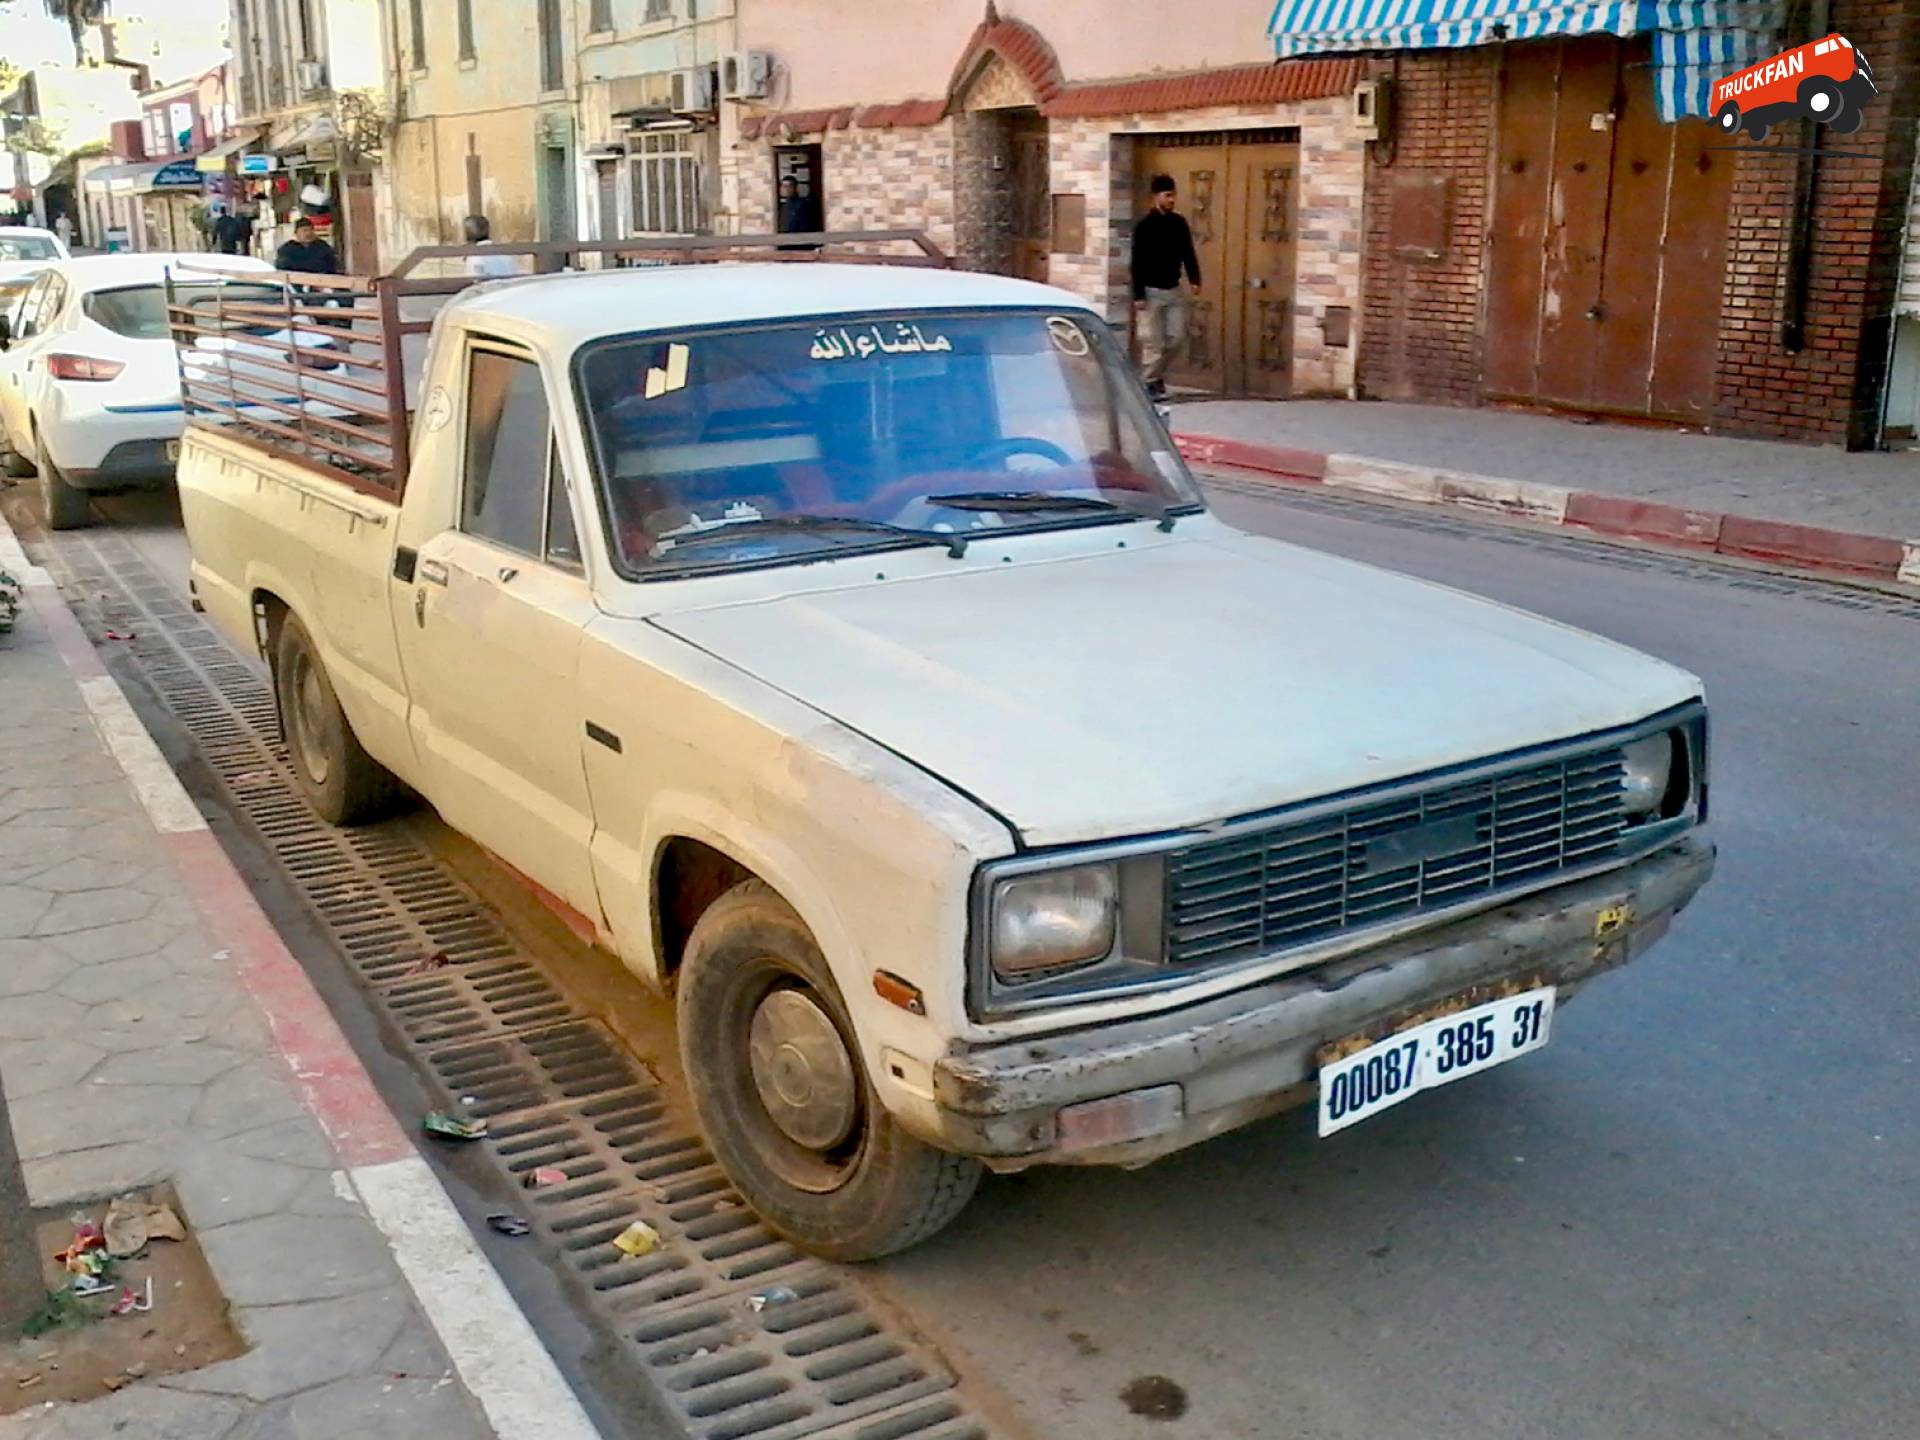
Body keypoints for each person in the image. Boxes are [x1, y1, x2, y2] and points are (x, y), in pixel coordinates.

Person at [1130, 174, 1201, 399]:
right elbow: (1137, 262)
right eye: (1167, 195)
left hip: (1173, 290)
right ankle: (1149, 382)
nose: (1172, 200)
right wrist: (1138, 294)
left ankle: (1152, 376)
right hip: (1151, 292)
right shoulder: (1144, 227)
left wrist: (1195, 278)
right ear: (1156, 197)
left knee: (1177, 338)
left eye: (1173, 195)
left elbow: (1188, 252)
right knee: (1153, 343)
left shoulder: (1178, 223)